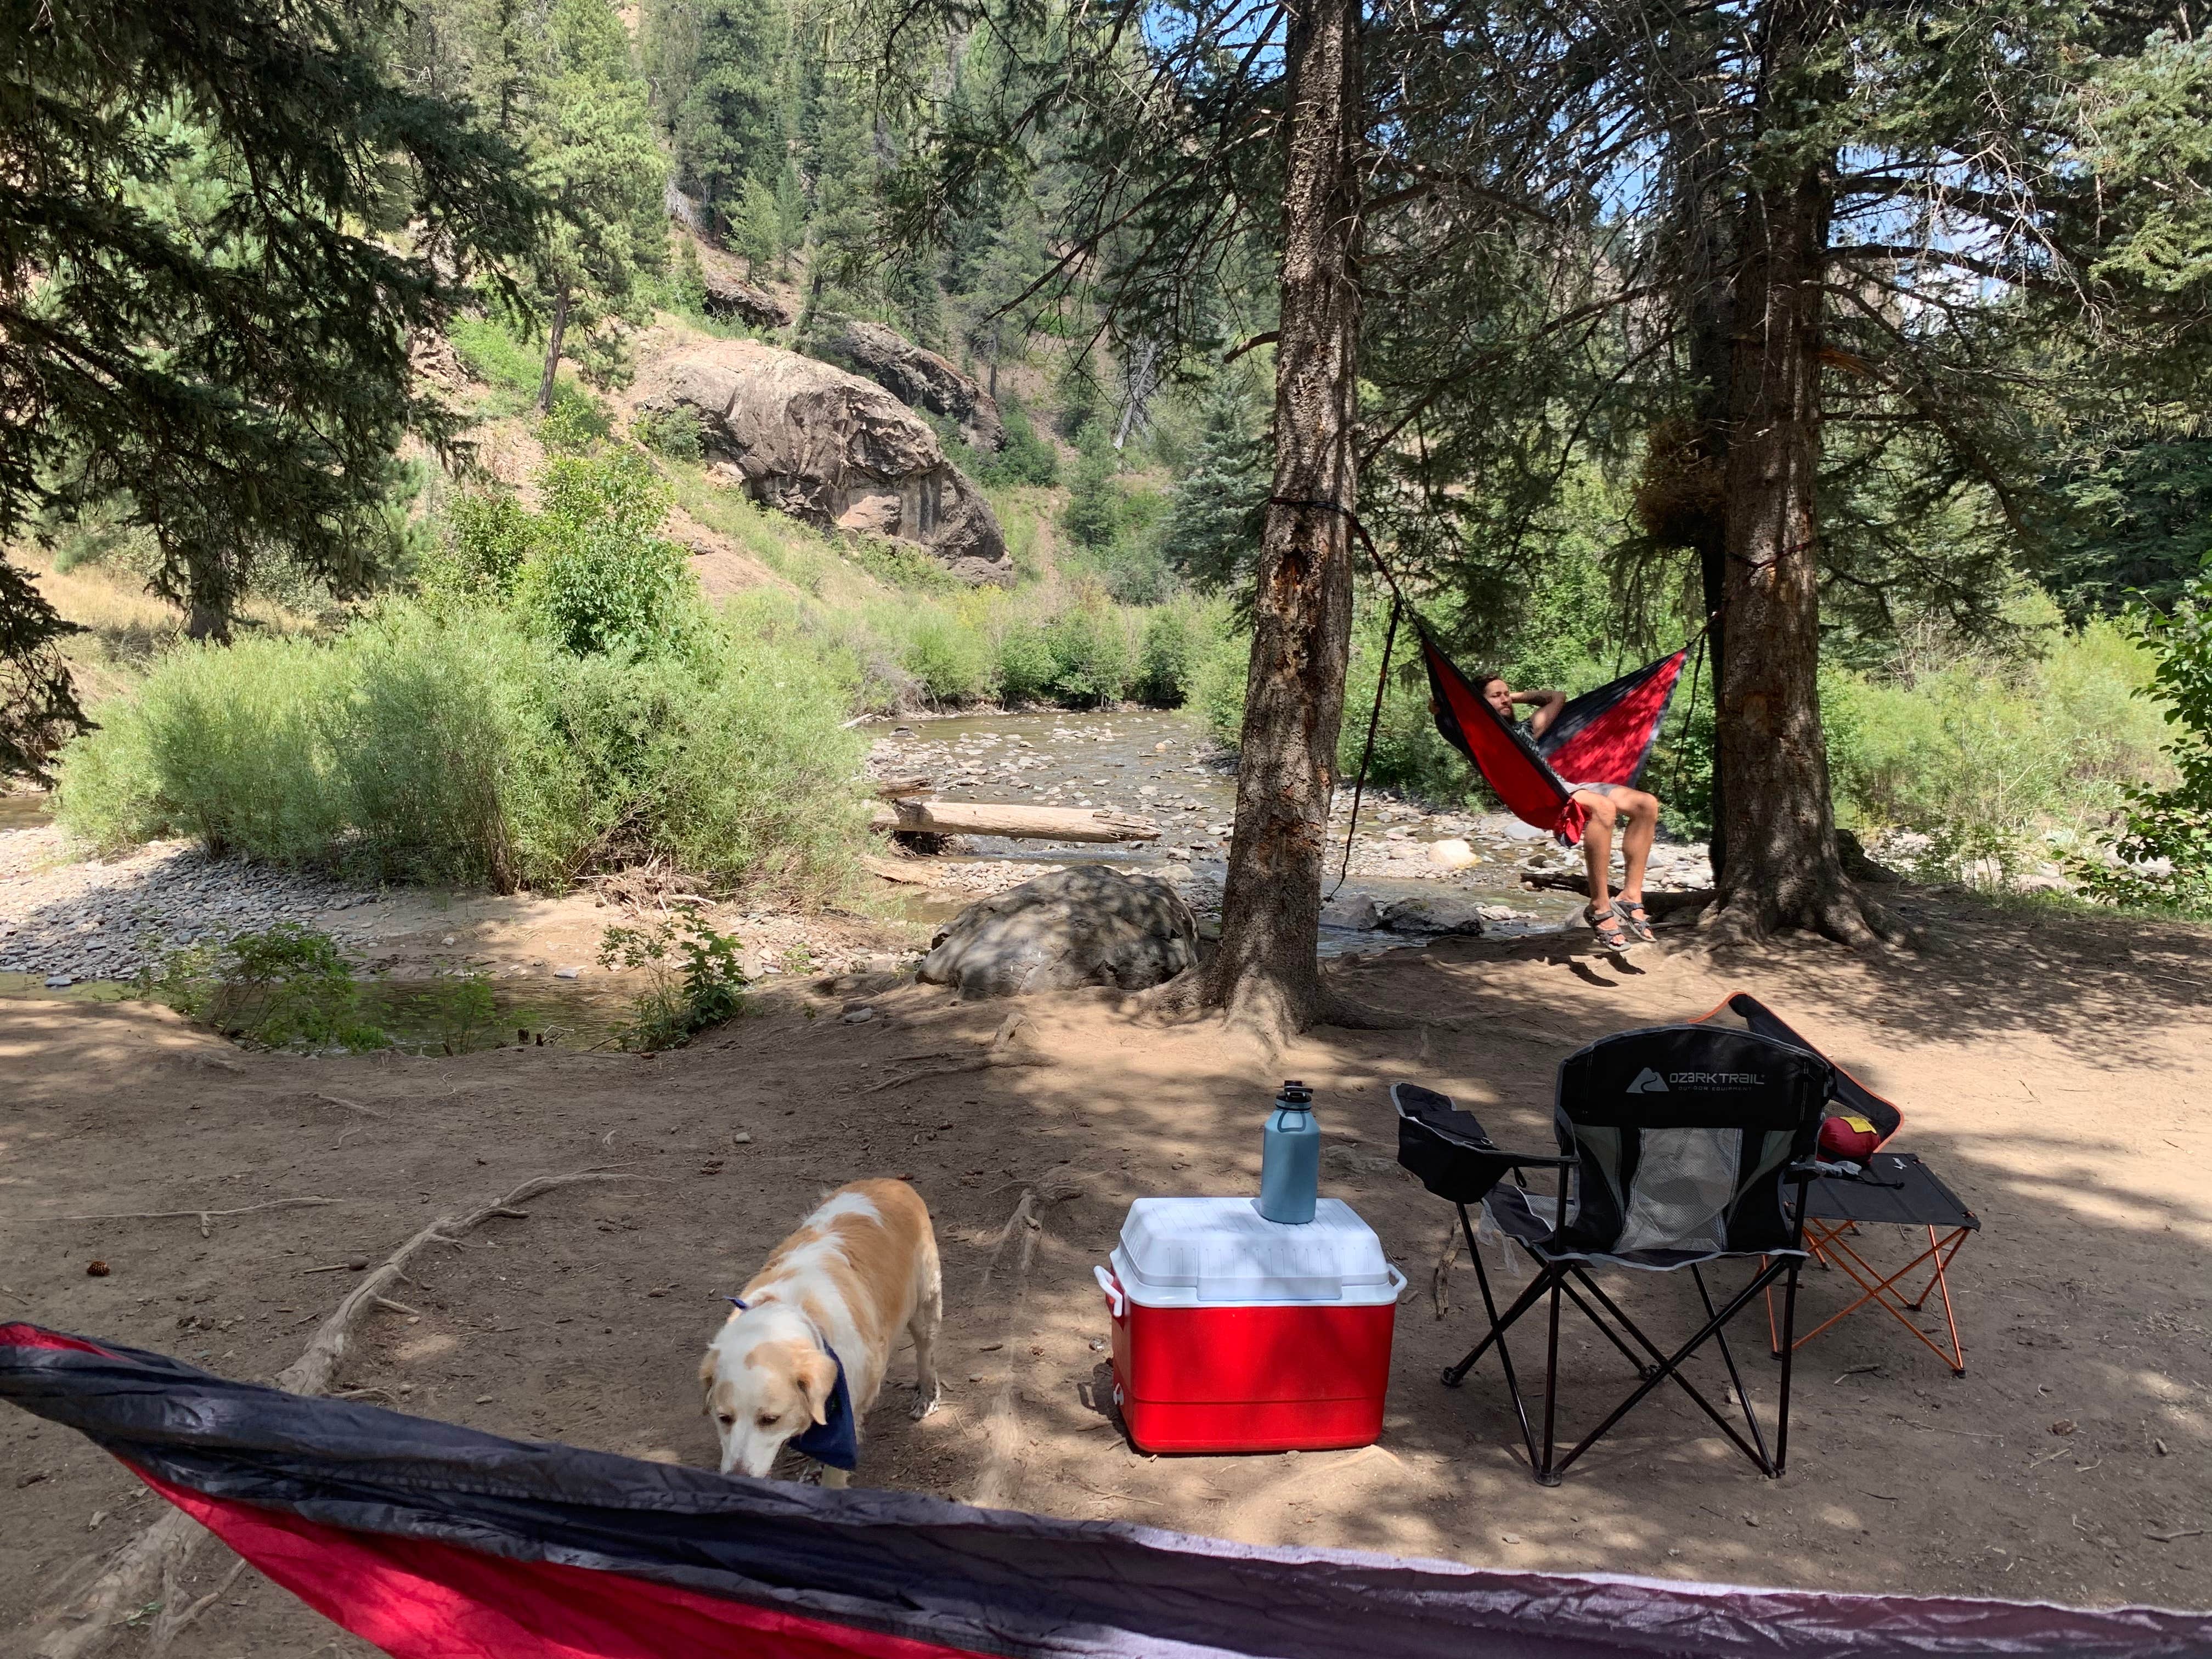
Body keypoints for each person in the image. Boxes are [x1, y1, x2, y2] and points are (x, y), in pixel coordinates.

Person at [1479, 674, 1661, 950]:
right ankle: (1600, 907)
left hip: (1561, 785)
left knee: (1646, 804)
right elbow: (1451, 718)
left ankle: (1630, 896)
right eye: (1496, 695)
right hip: (1535, 795)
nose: (1505, 699)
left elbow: (1557, 697)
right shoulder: (1480, 735)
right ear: (1477, 704)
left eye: (1506, 693)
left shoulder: (1525, 730)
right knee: (1603, 808)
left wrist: (1511, 697)